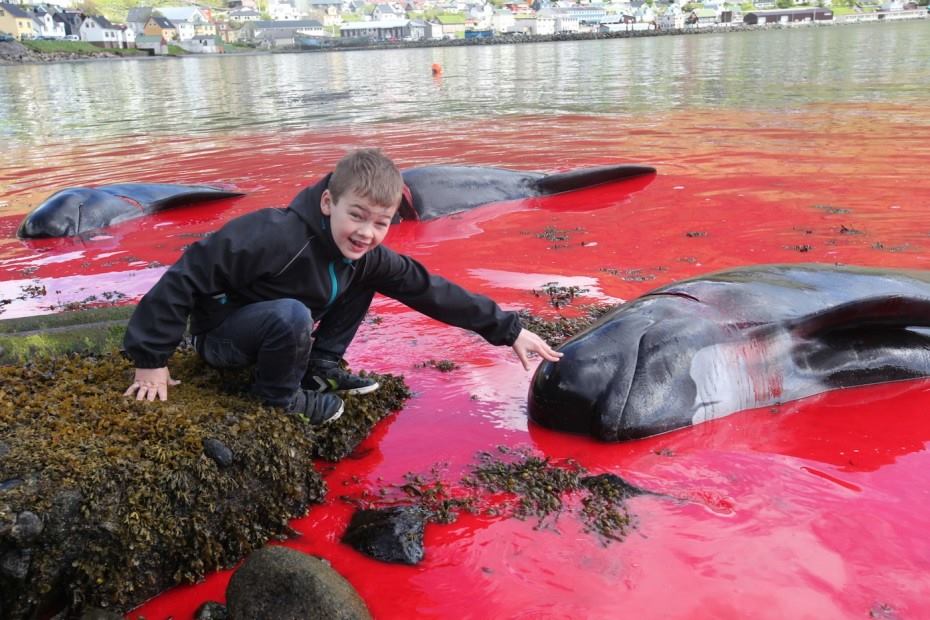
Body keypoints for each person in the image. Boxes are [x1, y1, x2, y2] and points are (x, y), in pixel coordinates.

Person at [123, 148, 561, 424]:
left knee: (366, 276)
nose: (366, 232)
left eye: (380, 222)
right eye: (357, 215)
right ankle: (277, 399)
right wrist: (152, 359)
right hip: (223, 338)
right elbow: (186, 275)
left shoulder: (365, 252)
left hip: (278, 332)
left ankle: (320, 367)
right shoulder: (273, 234)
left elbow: (430, 289)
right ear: (329, 202)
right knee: (291, 313)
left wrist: (511, 331)